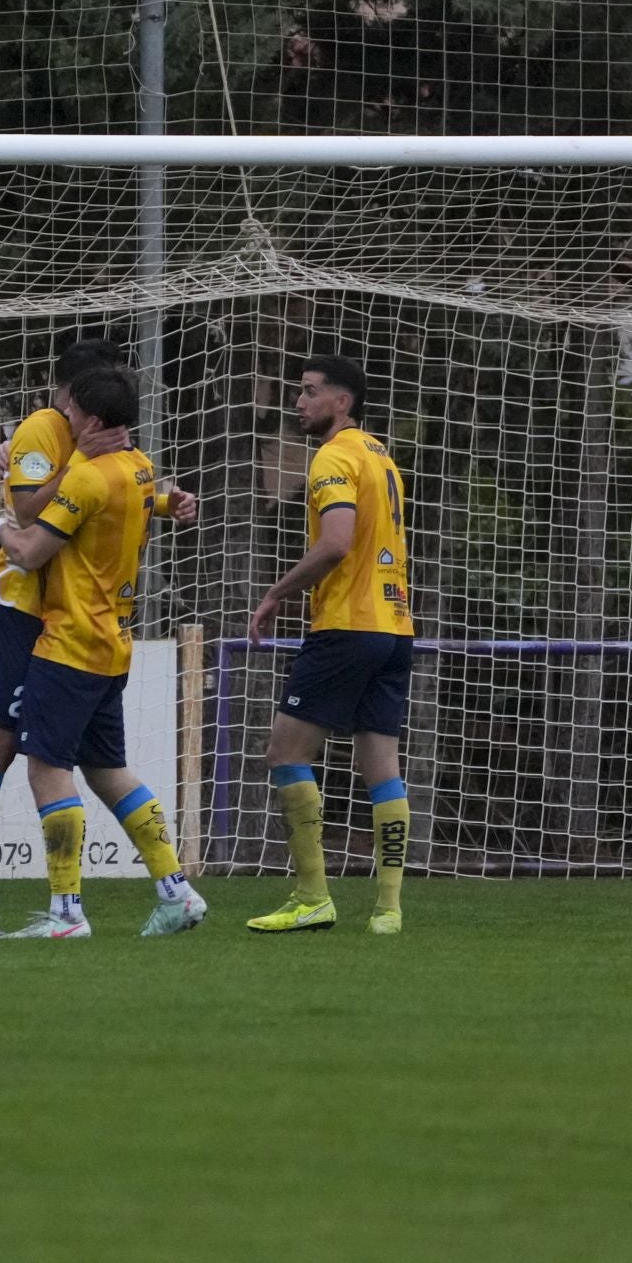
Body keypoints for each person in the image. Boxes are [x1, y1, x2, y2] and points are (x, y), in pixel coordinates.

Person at [0, 339, 136, 935]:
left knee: (18, 740)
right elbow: (25, 517)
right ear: (72, 394)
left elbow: (110, 492)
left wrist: (169, 500)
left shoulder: (96, 435)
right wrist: (73, 468)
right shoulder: (45, 428)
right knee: (0, 733)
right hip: (15, 603)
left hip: (57, 611)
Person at [0, 365, 206, 939]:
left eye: (70, 410)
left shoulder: (84, 479)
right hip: (114, 644)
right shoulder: (140, 468)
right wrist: (170, 503)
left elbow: (32, 551)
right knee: (110, 771)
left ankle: (66, 913)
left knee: (47, 770)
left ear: (87, 418)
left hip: (69, 644)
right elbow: (129, 503)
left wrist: (0, 525)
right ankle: (177, 890)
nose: (63, 417)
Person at [246, 355, 415, 935]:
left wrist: (275, 594)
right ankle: (388, 909)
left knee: (285, 755)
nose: (299, 401)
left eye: (310, 392)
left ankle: (312, 896)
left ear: (341, 402)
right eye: (298, 391)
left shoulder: (334, 456)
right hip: (395, 626)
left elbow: (337, 542)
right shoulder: (381, 457)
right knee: (382, 767)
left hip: (346, 625)